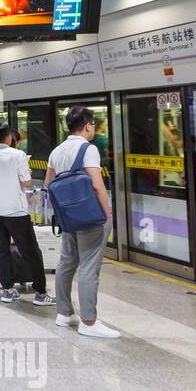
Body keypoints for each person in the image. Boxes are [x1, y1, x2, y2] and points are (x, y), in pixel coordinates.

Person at [45, 106, 119, 338]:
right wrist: (107, 212)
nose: (93, 130)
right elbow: (97, 184)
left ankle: (64, 313)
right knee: (89, 266)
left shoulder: (56, 151)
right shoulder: (89, 149)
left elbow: (49, 184)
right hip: (90, 216)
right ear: (87, 126)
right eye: (93, 126)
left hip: (68, 216)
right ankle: (89, 322)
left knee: (67, 262)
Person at [0, 121, 54, 306]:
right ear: (9, 137)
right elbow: (27, 183)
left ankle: (7, 290)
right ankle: (40, 292)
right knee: (31, 251)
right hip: (16, 210)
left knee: (1, 249)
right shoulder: (18, 155)